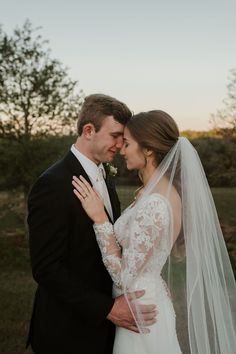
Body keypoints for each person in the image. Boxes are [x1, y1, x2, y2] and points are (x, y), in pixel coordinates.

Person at [72, 110, 236, 353]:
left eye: (127, 143)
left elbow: (124, 277)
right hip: (145, 298)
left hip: (140, 309)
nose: (122, 150)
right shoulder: (152, 192)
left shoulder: (157, 203)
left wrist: (99, 219)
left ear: (148, 149)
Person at [27, 94, 157, 354]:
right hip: (67, 331)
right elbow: (46, 268)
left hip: (103, 331)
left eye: (124, 138)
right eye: (115, 136)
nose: (121, 145)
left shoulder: (104, 175)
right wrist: (107, 308)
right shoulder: (52, 184)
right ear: (88, 130)